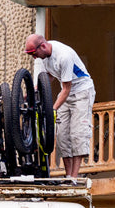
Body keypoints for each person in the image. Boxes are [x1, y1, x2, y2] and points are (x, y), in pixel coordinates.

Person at [23, 33, 95, 180]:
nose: (34, 57)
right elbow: (49, 76)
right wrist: (32, 90)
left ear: (42, 46)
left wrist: (52, 109)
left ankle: (74, 177)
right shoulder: (45, 56)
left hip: (81, 92)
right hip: (66, 93)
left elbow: (66, 88)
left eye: (33, 53)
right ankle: (68, 175)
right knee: (62, 135)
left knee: (77, 134)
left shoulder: (64, 56)